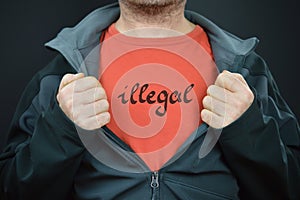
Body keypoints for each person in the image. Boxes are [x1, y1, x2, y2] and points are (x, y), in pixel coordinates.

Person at [0, 0, 299, 199]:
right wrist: (61, 129)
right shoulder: (62, 72)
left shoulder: (245, 69)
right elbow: (13, 189)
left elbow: (290, 187)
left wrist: (248, 129)